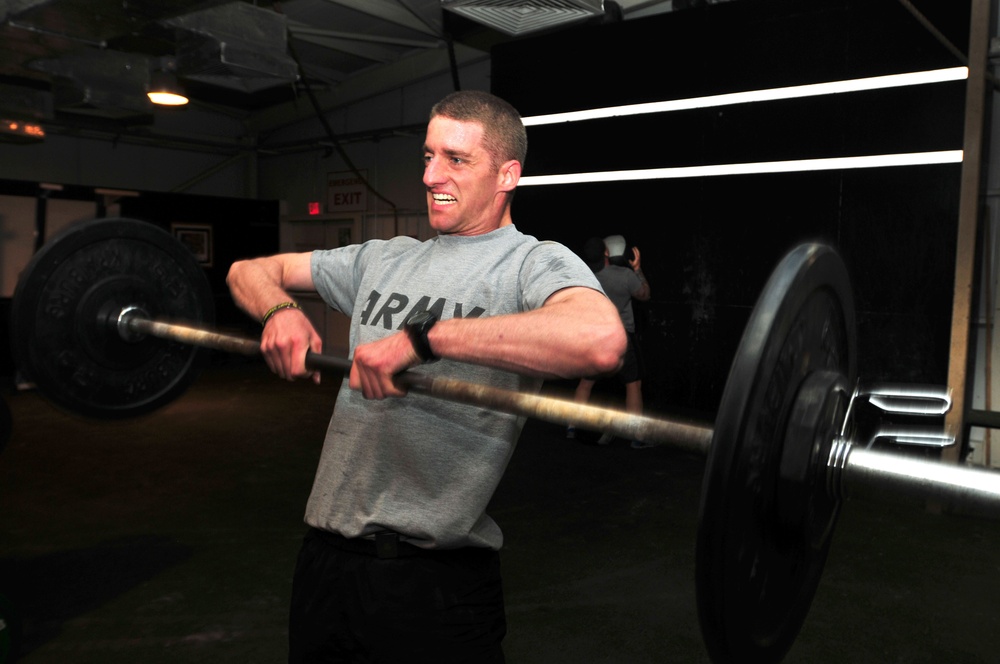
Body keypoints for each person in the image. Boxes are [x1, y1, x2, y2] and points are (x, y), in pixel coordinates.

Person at [226, 90, 626, 663]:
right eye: (427, 156)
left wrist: (422, 339)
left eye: (456, 160)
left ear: (507, 174)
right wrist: (279, 310)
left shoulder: (531, 262)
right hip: (325, 567)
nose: (432, 174)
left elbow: (600, 341)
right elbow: (250, 270)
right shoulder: (383, 258)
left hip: (438, 587)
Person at [567, 235, 651, 448]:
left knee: (586, 383)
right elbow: (644, 294)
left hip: (595, 336)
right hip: (621, 336)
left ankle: (572, 426)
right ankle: (636, 437)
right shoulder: (625, 275)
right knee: (633, 384)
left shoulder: (589, 276)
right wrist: (638, 269)